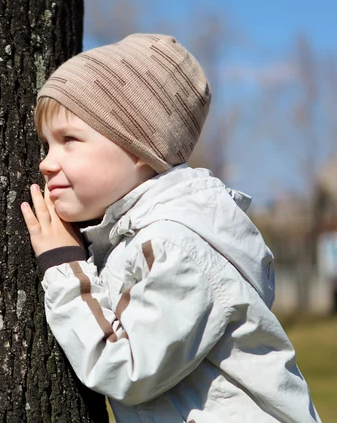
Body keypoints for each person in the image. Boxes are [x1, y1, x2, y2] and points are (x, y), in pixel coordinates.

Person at [20, 33, 321, 422]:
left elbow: (126, 368)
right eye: (46, 144)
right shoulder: (144, 237)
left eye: (68, 140)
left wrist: (65, 265)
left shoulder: (176, 245)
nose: (46, 162)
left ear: (141, 148)